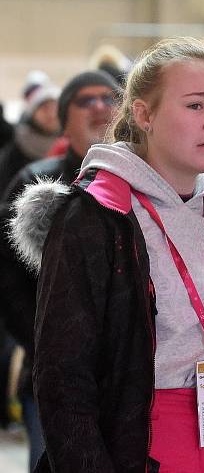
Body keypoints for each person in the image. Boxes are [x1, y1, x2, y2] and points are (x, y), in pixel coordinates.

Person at [7, 37, 204, 472]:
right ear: (143, 115)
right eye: (195, 106)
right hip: (136, 441)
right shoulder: (93, 217)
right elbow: (62, 379)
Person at [0, 69, 118, 472]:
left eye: (109, 97)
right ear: (64, 117)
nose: (101, 106)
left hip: (128, 375)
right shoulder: (35, 182)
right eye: (86, 100)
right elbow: (7, 279)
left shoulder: (148, 183)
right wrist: (42, 338)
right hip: (53, 374)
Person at [0, 83, 61, 194]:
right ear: (33, 112)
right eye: (45, 108)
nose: (51, 115)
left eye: (55, 108)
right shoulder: (17, 143)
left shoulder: (72, 144)